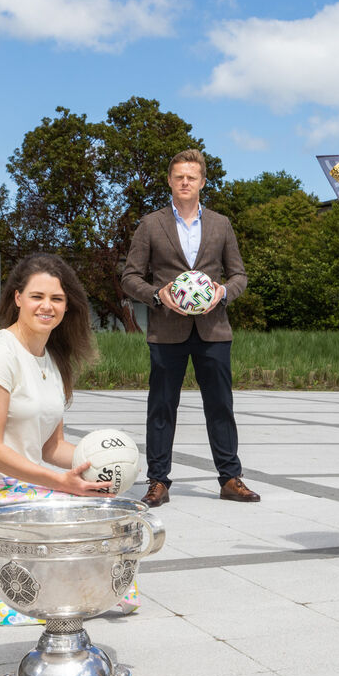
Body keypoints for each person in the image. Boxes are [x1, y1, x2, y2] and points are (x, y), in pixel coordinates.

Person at [0, 253, 140, 625]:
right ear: (17, 298)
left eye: (57, 298)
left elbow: (52, 448)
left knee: (114, 584)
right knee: (20, 611)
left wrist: (98, 470)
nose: (47, 306)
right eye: (37, 296)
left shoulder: (52, 359)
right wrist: (60, 483)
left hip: (31, 482)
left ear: (68, 306)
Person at [121, 148, 259, 507]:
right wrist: (157, 295)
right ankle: (158, 482)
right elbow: (130, 277)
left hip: (214, 330)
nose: (185, 182)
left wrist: (223, 292)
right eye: (179, 176)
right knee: (162, 406)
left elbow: (240, 274)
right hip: (167, 331)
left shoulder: (220, 224)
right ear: (169, 181)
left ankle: (230, 478)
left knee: (220, 406)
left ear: (201, 182)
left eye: (191, 177)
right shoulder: (151, 224)